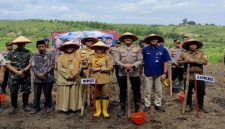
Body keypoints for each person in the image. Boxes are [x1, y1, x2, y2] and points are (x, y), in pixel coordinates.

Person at [115, 32, 142, 117]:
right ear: (123, 39)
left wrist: (133, 66)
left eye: (130, 37)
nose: (128, 39)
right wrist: (124, 66)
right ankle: (122, 107)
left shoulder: (138, 49)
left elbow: (140, 60)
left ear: (132, 39)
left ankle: (137, 107)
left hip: (135, 74)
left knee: (136, 90)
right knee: (122, 90)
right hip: (122, 74)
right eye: (126, 37)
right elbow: (116, 60)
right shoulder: (118, 49)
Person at [142, 34, 171, 112]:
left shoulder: (163, 50)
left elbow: (166, 62)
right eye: (152, 39)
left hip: (159, 74)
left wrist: (165, 73)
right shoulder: (145, 50)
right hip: (148, 73)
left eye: (155, 39)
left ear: (158, 40)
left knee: (158, 90)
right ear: (149, 40)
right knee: (147, 90)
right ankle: (147, 105)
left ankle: (158, 104)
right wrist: (142, 71)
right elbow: (142, 62)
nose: (154, 40)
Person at [178, 39, 208, 113]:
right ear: (188, 46)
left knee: (201, 91)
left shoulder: (201, 53)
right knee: (187, 91)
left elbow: (205, 62)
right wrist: (186, 61)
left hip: (199, 75)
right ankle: (189, 105)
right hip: (188, 75)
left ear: (197, 46)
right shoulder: (184, 54)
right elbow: (178, 62)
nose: (193, 46)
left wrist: (195, 61)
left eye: (195, 45)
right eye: (191, 45)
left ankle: (200, 106)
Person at [5, 36, 32, 113]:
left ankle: (25, 105)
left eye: (22, 43)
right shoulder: (11, 53)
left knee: (26, 91)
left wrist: (23, 70)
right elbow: (7, 64)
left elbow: (31, 63)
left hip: (25, 76)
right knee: (13, 91)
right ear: (16, 43)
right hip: (14, 76)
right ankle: (14, 106)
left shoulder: (29, 52)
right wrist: (17, 72)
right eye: (19, 43)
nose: (21, 44)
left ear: (25, 44)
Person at [88, 41, 113, 118]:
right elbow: (86, 66)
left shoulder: (108, 57)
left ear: (104, 48)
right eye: (97, 47)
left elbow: (110, 67)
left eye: (101, 47)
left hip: (105, 78)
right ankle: (98, 111)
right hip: (94, 78)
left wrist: (99, 69)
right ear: (95, 48)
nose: (99, 49)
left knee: (105, 95)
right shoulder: (90, 56)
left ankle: (105, 111)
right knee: (96, 95)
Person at [56, 41, 82, 112]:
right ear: (64, 48)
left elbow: (80, 66)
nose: (69, 48)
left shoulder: (78, 56)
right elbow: (60, 67)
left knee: (74, 94)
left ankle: (74, 108)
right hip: (64, 79)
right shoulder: (60, 57)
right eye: (67, 47)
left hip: (75, 78)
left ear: (73, 47)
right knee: (65, 94)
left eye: (71, 46)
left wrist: (75, 74)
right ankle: (65, 108)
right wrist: (68, 75)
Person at [30, 40, 55, 114]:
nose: (41, 48)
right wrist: (38, 74)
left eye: (42, 46)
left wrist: (44, 73)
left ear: (45, 46)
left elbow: (52, 65)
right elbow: (33, 66)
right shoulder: (34, 56)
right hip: (37, 78)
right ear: (37, 47)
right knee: (36, 94)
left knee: (47, 93)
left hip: (48, 77)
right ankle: (35, 107)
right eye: (39, 47)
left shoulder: (51, 55)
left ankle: (48, 106)